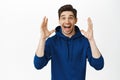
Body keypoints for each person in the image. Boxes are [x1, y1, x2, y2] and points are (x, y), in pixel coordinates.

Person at [34, 4, 104, 80]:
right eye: (63, 18)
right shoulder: (52, 42)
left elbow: (99, 65)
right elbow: (38, 65)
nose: (67, 21)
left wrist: (91, 40)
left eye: (70, 18)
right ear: (59, 21)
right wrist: (42, 39)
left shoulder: (84, 42)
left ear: (75, 20)